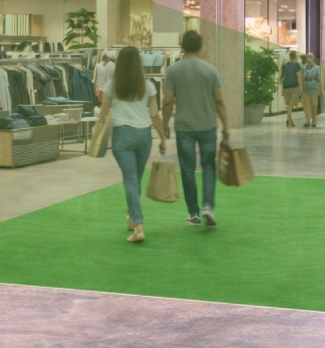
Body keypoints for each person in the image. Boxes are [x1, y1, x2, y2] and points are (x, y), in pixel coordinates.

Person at [97, 46, 169, 242]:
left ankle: (138, 226)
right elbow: (155, 115)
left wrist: (96, 134)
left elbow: (103, 113)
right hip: (143, 136)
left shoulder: (111, 86)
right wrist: (163, 138)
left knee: (130, 180)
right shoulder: (149, 86)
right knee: (135, 179)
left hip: (122, 136)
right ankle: (131, 218)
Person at [162, 30, 231, 226]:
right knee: (209, 166)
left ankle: (194, 213)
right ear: (200, 47)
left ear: (182, 46)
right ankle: (208, 205)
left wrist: (165, 123)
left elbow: (167, 101)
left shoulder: (173, 71)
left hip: (184, 126)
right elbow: (219, 101)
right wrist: (226, 126)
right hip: (207, 125)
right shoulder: (210, 70)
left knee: (187, 169)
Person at [279, 50, 303, 128]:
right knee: (290, 106)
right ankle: (289, 122)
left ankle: (289, 120)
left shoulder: (285, 65)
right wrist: (301, 88)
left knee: (289, 105)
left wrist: (280, 87)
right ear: (296, 57)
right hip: (294, 87)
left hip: (285, 87)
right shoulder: (297, 66)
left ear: (289, 57)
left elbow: (281, 77)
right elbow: (299, 78)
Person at [301, 53, 321, 127]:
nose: (308, 59)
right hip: (305, 88)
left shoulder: (317, 68)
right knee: (306, 105)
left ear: (313, 58)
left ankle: (314, 121)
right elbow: (300, 78)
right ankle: (307, 121)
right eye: (307, 57)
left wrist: (320, 89)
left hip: (313, 88)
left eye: (309, 57)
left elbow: (318, 79)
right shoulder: (303, 67)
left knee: (314, 105)